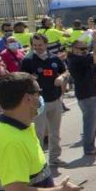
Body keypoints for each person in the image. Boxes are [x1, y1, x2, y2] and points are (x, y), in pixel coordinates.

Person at [19, 33, 68, 168]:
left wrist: (62, 78)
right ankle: (38, 164)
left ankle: (54, 158)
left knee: (55, 132)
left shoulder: (54, 58)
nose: (37, 48)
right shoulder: (28, 60)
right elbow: (21, 77)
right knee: (38, 133)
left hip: (55, 99)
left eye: (40, 45)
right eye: (35, 45)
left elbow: (65, 71)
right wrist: (29, 78)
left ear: (46, 44)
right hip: (38, 103)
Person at [63, 34, 96, 158]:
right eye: (81, 49)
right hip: (86, 94)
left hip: (91, 92)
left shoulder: (82, 58)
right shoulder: (76, 59)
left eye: (86, 48)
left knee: (95, 120)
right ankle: (88, 148)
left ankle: (91, 145)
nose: (84, 51)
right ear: (73, 49)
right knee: (90, 122)